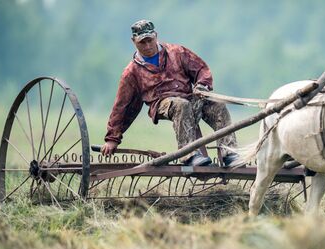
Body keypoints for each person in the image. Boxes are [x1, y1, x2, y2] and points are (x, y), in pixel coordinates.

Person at [101, 19, 238, 166]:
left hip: (190, 96)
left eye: (150, 40)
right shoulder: (131, 72)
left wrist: (202, 86)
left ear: (156, 36)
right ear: (133, 41)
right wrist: (112, 138)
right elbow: (122, 107)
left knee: (218, 106)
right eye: (142, 42)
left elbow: (201, 70)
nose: (147, 46)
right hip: (161, 103)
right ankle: (189, 155)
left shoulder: (177, 52)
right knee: (181, 105)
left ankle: (229, 152)